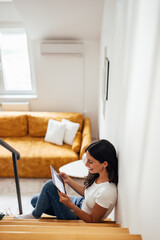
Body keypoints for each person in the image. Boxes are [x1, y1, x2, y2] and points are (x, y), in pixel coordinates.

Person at [14, 139, 118, 223]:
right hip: (80, 203)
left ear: (105, 164)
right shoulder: (98, 175)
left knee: (50, 185)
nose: (86, 165)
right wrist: (68, 180)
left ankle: (34, 215)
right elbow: (88, 193)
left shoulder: (107, 192)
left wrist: (71, 206)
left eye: (90, 162)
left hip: (77, 216)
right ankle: (38, 211)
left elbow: (92, 220)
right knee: (35, 200)